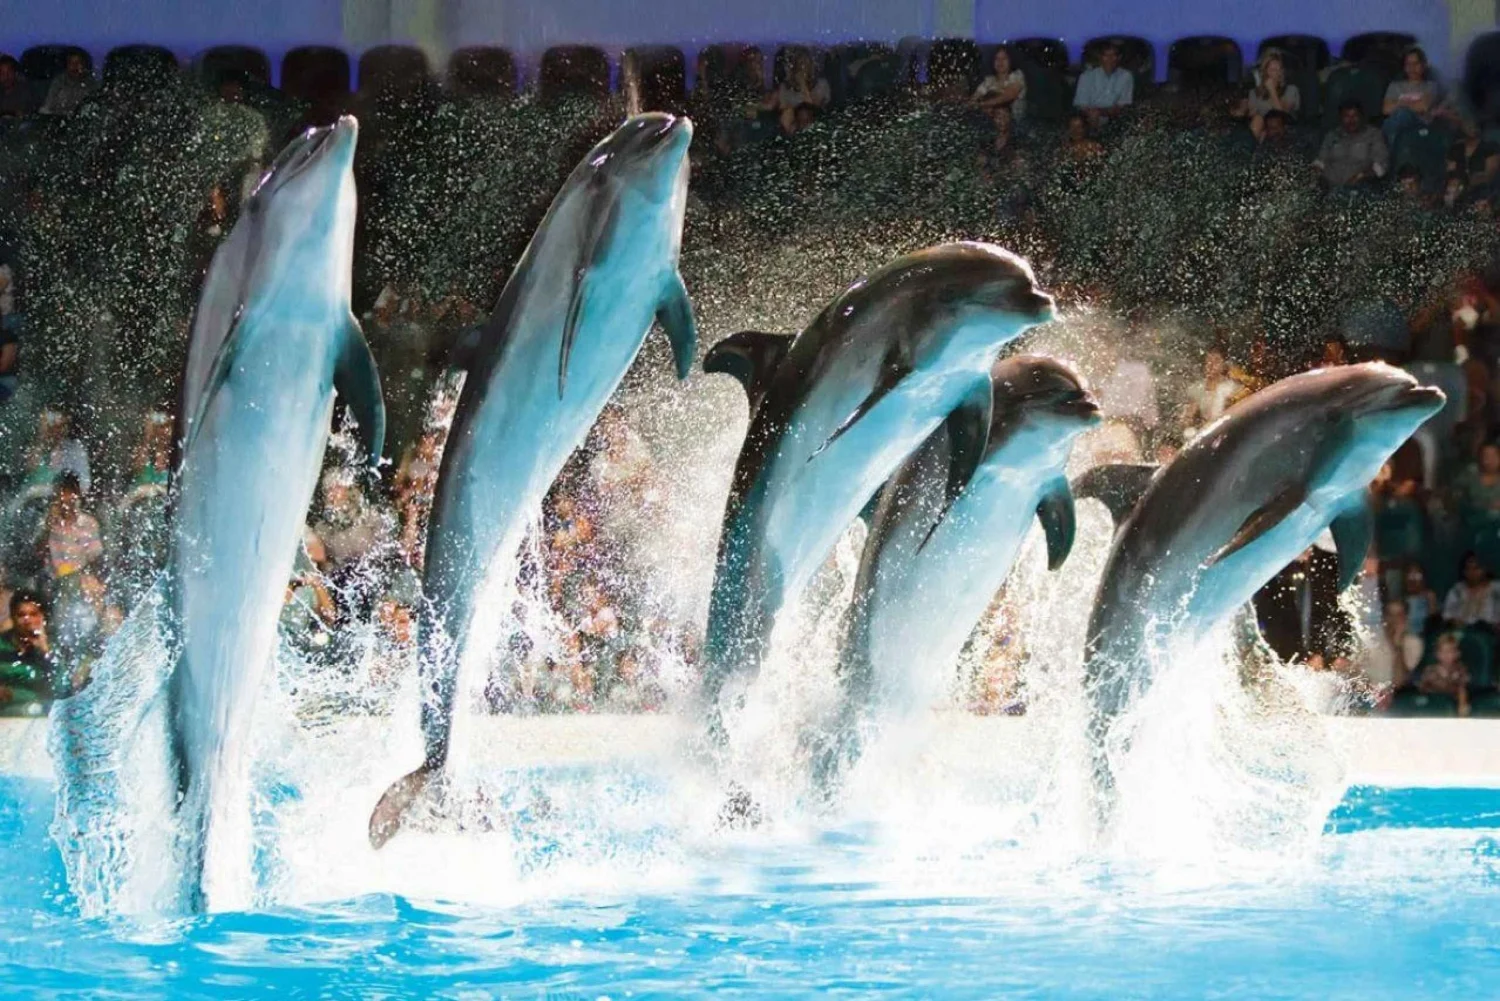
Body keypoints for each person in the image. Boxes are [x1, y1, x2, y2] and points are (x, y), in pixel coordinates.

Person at [0, 590, 66, 713]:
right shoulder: (2, 645)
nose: (27, 620)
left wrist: (45, 651)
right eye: (21, 615)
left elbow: (62, 689)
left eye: (33, 614)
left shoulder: (53, 647)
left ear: (42, 617)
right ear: (13, 618)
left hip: (41, 715)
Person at [1313, 101, 1388, 189]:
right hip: (1329, 186)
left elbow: (1381, 166)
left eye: (1355, 116)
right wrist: (1314, 177)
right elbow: (1320, 162)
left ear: (1361, 117)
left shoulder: (1373, 135)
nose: (1351, 120)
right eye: (1346, 116)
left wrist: (1361, 176)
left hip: (1360, 186)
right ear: (1340, 118)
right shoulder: (1331, 136)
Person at [1180, 345, 1246, 437]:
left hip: (1226, 430)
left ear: (1224, 365)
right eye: (1208, 361)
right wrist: (1189, 419)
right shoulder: (1198, 388)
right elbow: (1186, 419)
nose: (1211, 364)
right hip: (1205, 432)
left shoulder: (1232, 388)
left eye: (1216, 361)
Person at [1382, 46, 1440, 149]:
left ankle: (1393, 154)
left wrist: (1399, 103)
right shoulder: (1395, 86)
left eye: (1415, 64)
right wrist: (1411, 105)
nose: (1412, 68)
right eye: (1408, 64)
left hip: (1420, 124)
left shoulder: (1431, 86)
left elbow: (1423, 107)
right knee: (1391, 121)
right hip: (1396, 124)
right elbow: (1386, 109)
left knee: (1402, 114)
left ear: (1423, 65)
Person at [1236, 50, 1300, 141]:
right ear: (1265, 72)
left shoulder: (1291, 90)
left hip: (1282, 129)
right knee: (1256, 120)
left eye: (1279, 69)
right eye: (1273, 70)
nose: (1277, 73)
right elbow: (1251, 116)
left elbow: (1283, 115)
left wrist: (1272, 91)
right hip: (1260, 130)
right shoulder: (1254, 93)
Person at [770, 49, 830, 135]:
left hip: (812, 120)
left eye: (805, 64)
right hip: (793, 123)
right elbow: (782, 109)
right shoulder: (785, 87)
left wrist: (803, 85)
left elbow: (813, 107)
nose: (802, 67)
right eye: (800, 63)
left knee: (805, 114)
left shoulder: (821, 84)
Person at [1073, 42, 1133, 128]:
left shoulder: (1126, 76)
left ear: (1119, 57)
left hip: (1114, 117)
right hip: (1089, 117)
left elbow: (1124, 104)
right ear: (1100, 57)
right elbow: (1081, 104)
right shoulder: (1087, 76)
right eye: (1106, 55)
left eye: (1113, 55)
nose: (1110, 59)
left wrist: (1101, 112)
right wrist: (1093, 113)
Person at [1417, 632, 1471, 716]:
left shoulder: (1460, 669)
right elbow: (1422, 689)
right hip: (1433, 703)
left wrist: (1462, 704)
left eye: (1450, 651)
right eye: (1442, 652)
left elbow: (1462, 689)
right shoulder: (1430, 670)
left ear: (1457, 654)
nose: (1445, 655)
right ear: (1437, 654)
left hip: (1452, 702)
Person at [1443, 553, 1500, 628]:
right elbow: (1447, 614)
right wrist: (1454, 621)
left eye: (1476, 568)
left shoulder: (1496, 588)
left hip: (1489, 632)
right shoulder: (1457, 590)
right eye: (1468, 569)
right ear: (1464, 572)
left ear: (1484, 569)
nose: (1472, 572)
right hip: (1461, 631)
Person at [973, 46, 1026, 123]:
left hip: (1017, 123)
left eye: (1004, 58)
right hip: (992, 123)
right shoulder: (988, 81)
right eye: (996, 59)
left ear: (1011, 60)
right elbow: (973, 101)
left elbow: (1009, 95)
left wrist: (983, 104)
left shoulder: (1017, 76)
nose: (1000, 62)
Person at [1447, 118, 1500, 194]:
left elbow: (1490, 175)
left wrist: (1468, 181)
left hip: (1483, 191)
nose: (1472, 128)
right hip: (1457, 190)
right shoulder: (1456, 148)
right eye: (1468, 125)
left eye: (1474, 126)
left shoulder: (1490, 148)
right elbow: (1451, 171)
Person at [39, 52, 97, 116]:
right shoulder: (59, 81)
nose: (74, 66)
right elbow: (47, 106)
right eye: (71, 63)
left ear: (84, 65)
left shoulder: (92, 84)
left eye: (78, 63)